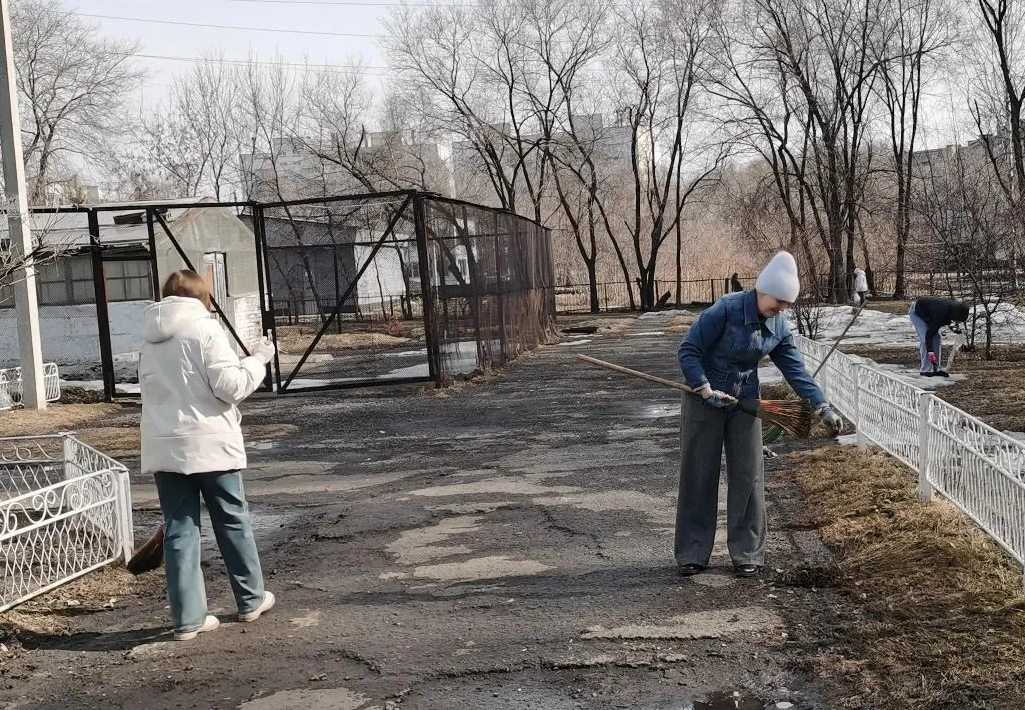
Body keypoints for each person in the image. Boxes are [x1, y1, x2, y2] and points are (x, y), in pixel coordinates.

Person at [676, 251, 842, 579]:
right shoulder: (725, 309)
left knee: (748, 475)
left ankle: (747, 552)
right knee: (699, 473)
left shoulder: (778, 326)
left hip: (746, 402)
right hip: (703, 399)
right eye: (779, 301)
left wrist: (821, 405)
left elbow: (795, 370)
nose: (782, 308)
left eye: (787, 303)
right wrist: (704, 388)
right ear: (763, 291)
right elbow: (688, 350)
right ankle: (692, 552)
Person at [140, 270, 277, 641]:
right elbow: (230, 387)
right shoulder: (206, 330)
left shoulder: (149, 338)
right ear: (202, 297)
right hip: (210, 444)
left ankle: (187, 620)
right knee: (232, 520)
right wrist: (259, 359)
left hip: (165, 446)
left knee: (179, 529)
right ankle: (250, 600)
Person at [908, 296, 970, 377]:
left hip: (929, 313)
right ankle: (925, 370)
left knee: (937, 338)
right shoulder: (941, 313)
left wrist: (955, 330)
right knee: (925, 340)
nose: (957, 322)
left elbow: (947, 320)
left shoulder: (953, 308)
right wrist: (930, 353)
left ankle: (935, 369)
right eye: (958, 320)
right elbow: (929, 335)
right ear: (956, 315)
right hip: (917, 312)